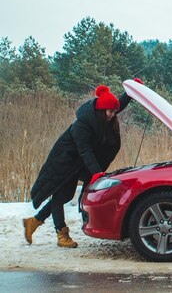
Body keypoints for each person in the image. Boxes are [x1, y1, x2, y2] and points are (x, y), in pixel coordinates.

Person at [23, 79, 142, 247]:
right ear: (101, 111)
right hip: (64, 161)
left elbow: (118, 105)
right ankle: (61, 234)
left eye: (114, 111)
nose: (113, 115)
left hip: (76, 163)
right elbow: (84, 150)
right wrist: (96, 172)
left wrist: (132, 91)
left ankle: (34, 222)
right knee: (60, 196)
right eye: (110, 112)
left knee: (64, 196)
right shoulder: (82, 125)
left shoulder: (103, 116)